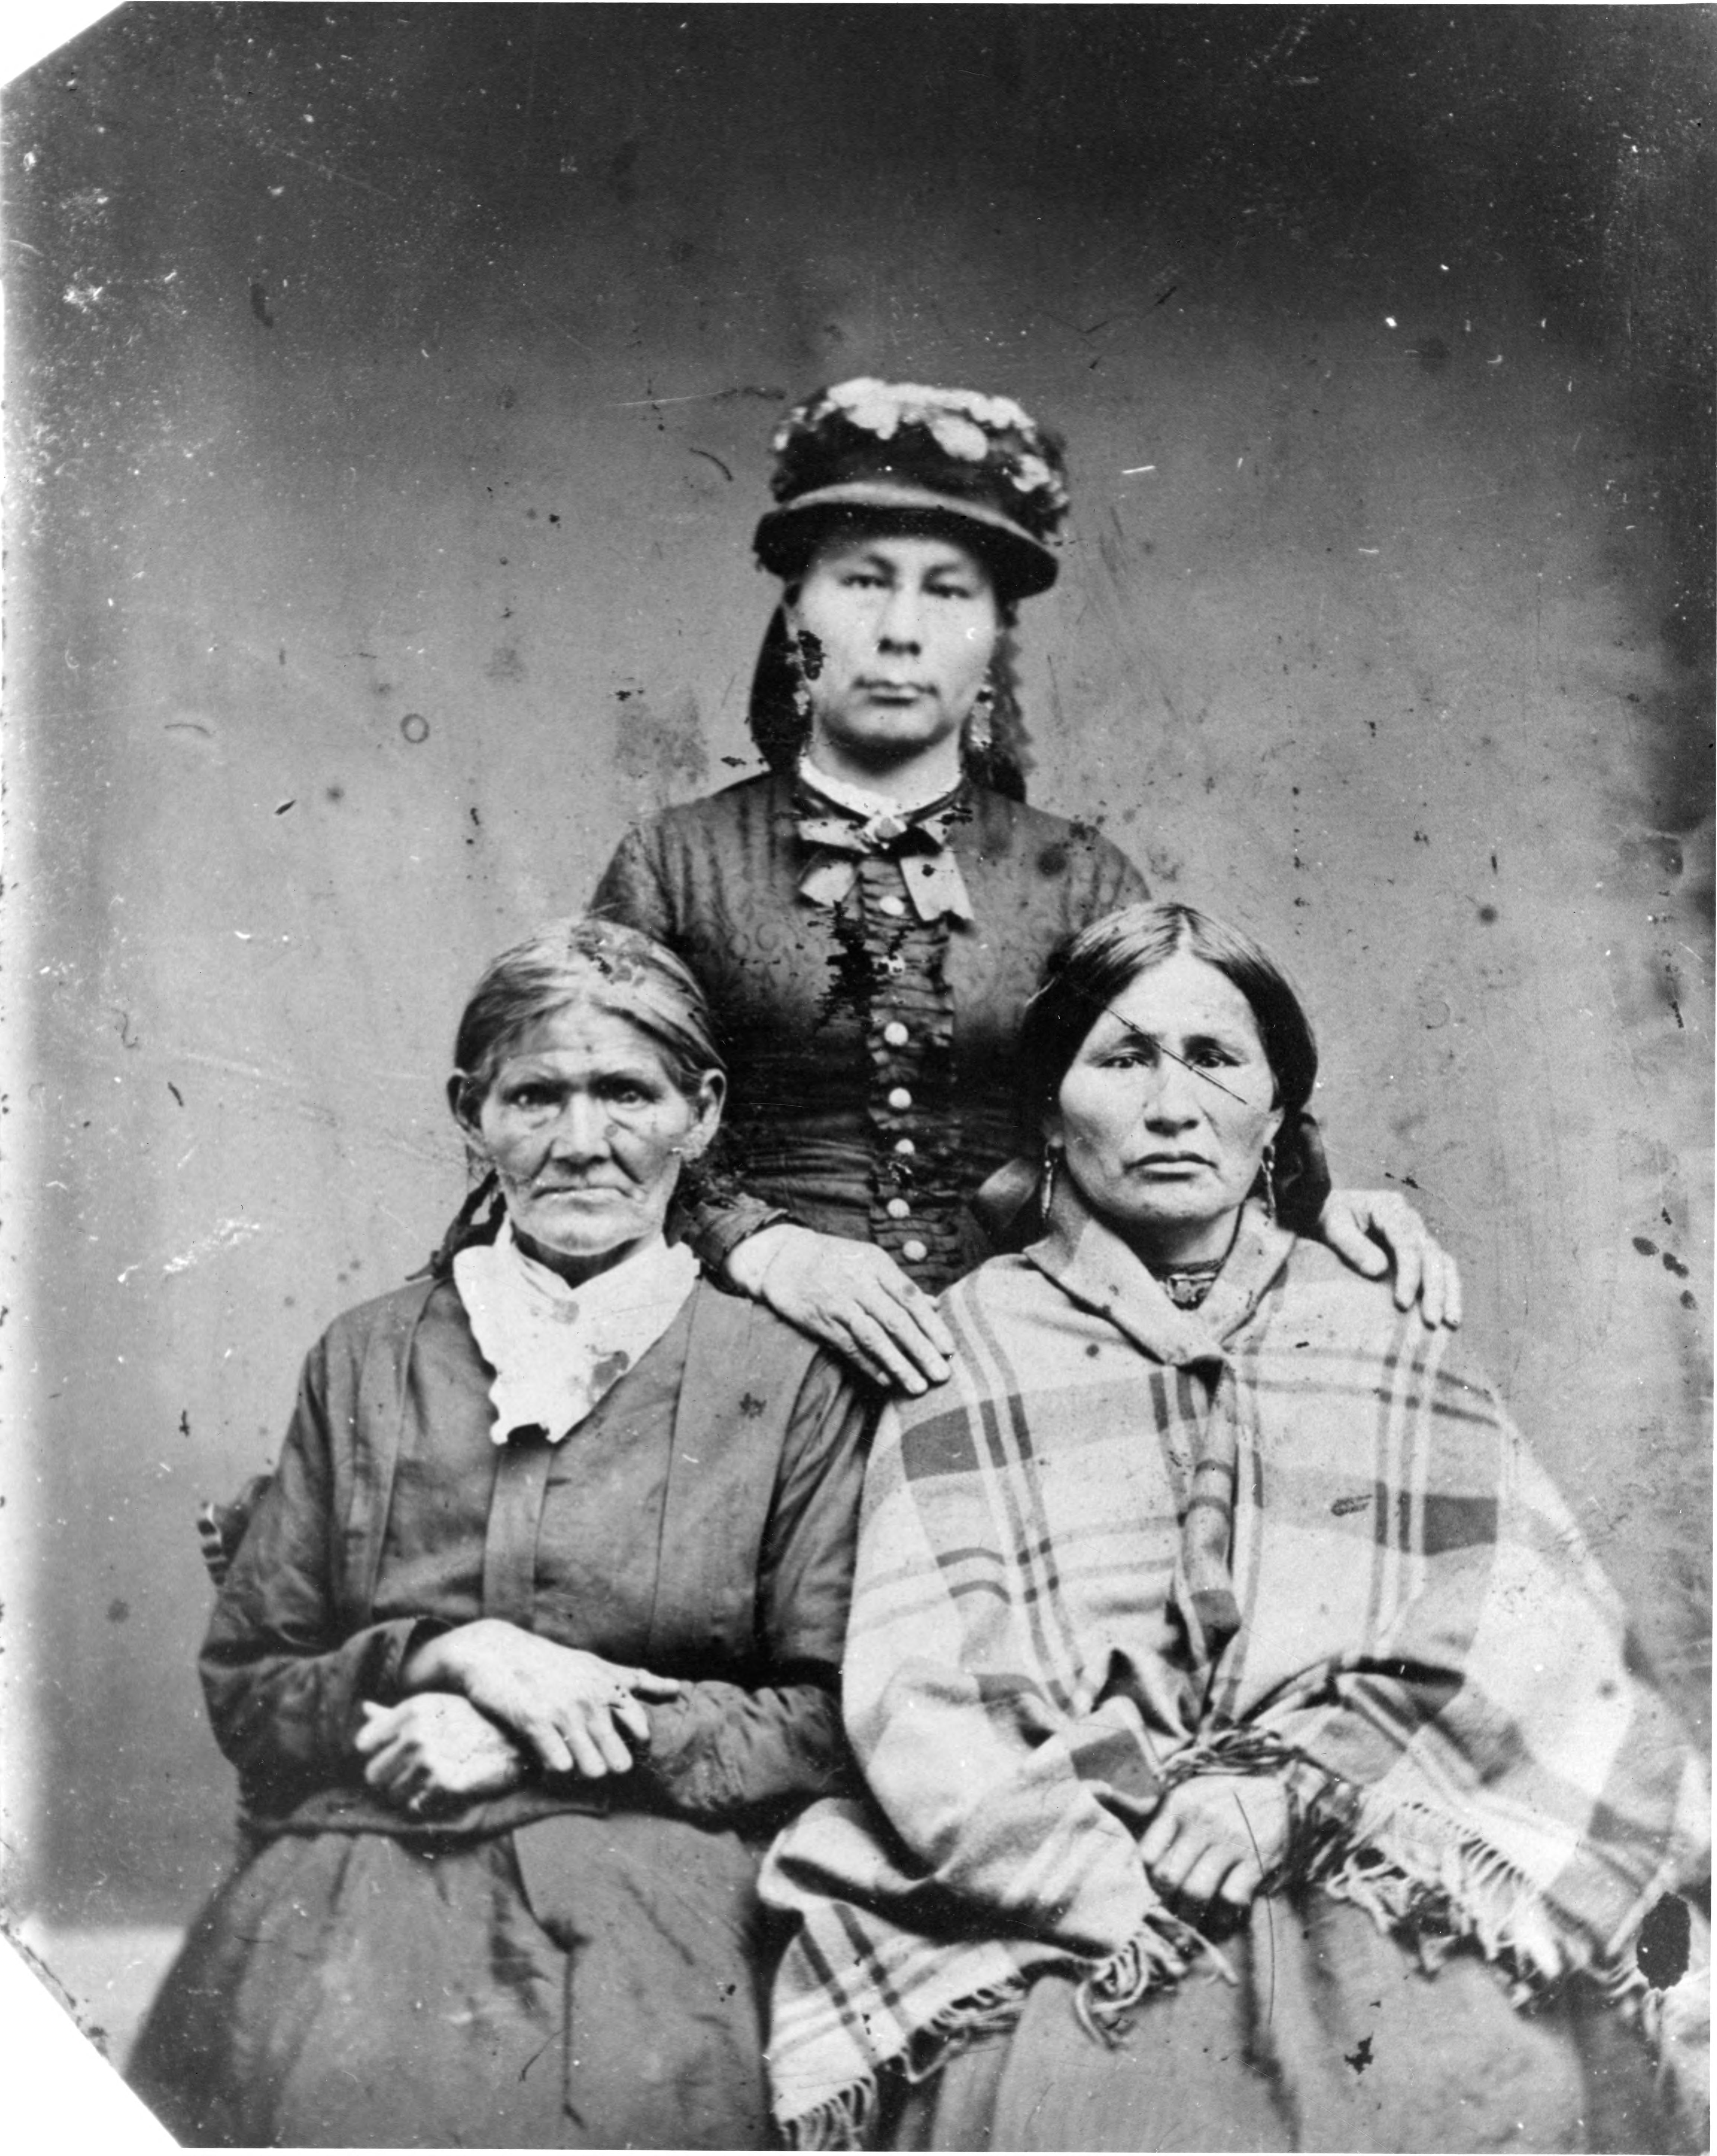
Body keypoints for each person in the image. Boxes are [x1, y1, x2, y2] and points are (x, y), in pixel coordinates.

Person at [761, 901, 1708, 2152]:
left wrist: (1295, 1792)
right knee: (1064, 2106)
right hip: (1085, 1884)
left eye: (1213, 1058)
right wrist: (1140, 1825)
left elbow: (1526, 1634)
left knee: (1465, 2083)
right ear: (1049, 1112)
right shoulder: (968, 1348)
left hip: (1371, 1846)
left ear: (1274, 1113)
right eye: (1122, 1057)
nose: (1169, 1104)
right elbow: (932, 1690)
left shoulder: (1372, 1326)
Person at [128, 918, 872, 2149]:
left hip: (663, 1885)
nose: (582, 1142)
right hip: (365, 1860)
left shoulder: (786, 1378)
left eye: (627, 1093)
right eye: (536, 1096)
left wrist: (533, 1737)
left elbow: (828, 1715)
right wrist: (450, 1655)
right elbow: (253, 1687)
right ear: (472, 1113)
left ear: (701, 1109)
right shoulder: (368, 1353)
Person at [593, 377, 1459, 1397]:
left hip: (1027, 1355)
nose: (899, 629)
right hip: (738, 1356)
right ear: (797, 612)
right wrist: (772, 1253)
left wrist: (1323, 1202)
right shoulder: (675, 861)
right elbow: (595, 1114)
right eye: (863, 581)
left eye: (948, 592)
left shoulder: (1077, 874)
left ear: (995, 639)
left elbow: (1183, 1090)